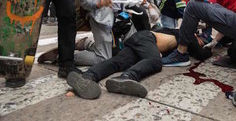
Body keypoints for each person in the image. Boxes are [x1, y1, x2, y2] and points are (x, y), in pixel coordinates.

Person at [66, 27, 212, 100]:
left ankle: (87, 77)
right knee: (155, 62)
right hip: (148, 39)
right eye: (200, 41)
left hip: (139, 39)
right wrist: (210, 47)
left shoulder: (171, 31)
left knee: (117, 62)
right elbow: (201, 54)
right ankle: (127, 77)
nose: (199, 43)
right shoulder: (187, 34)